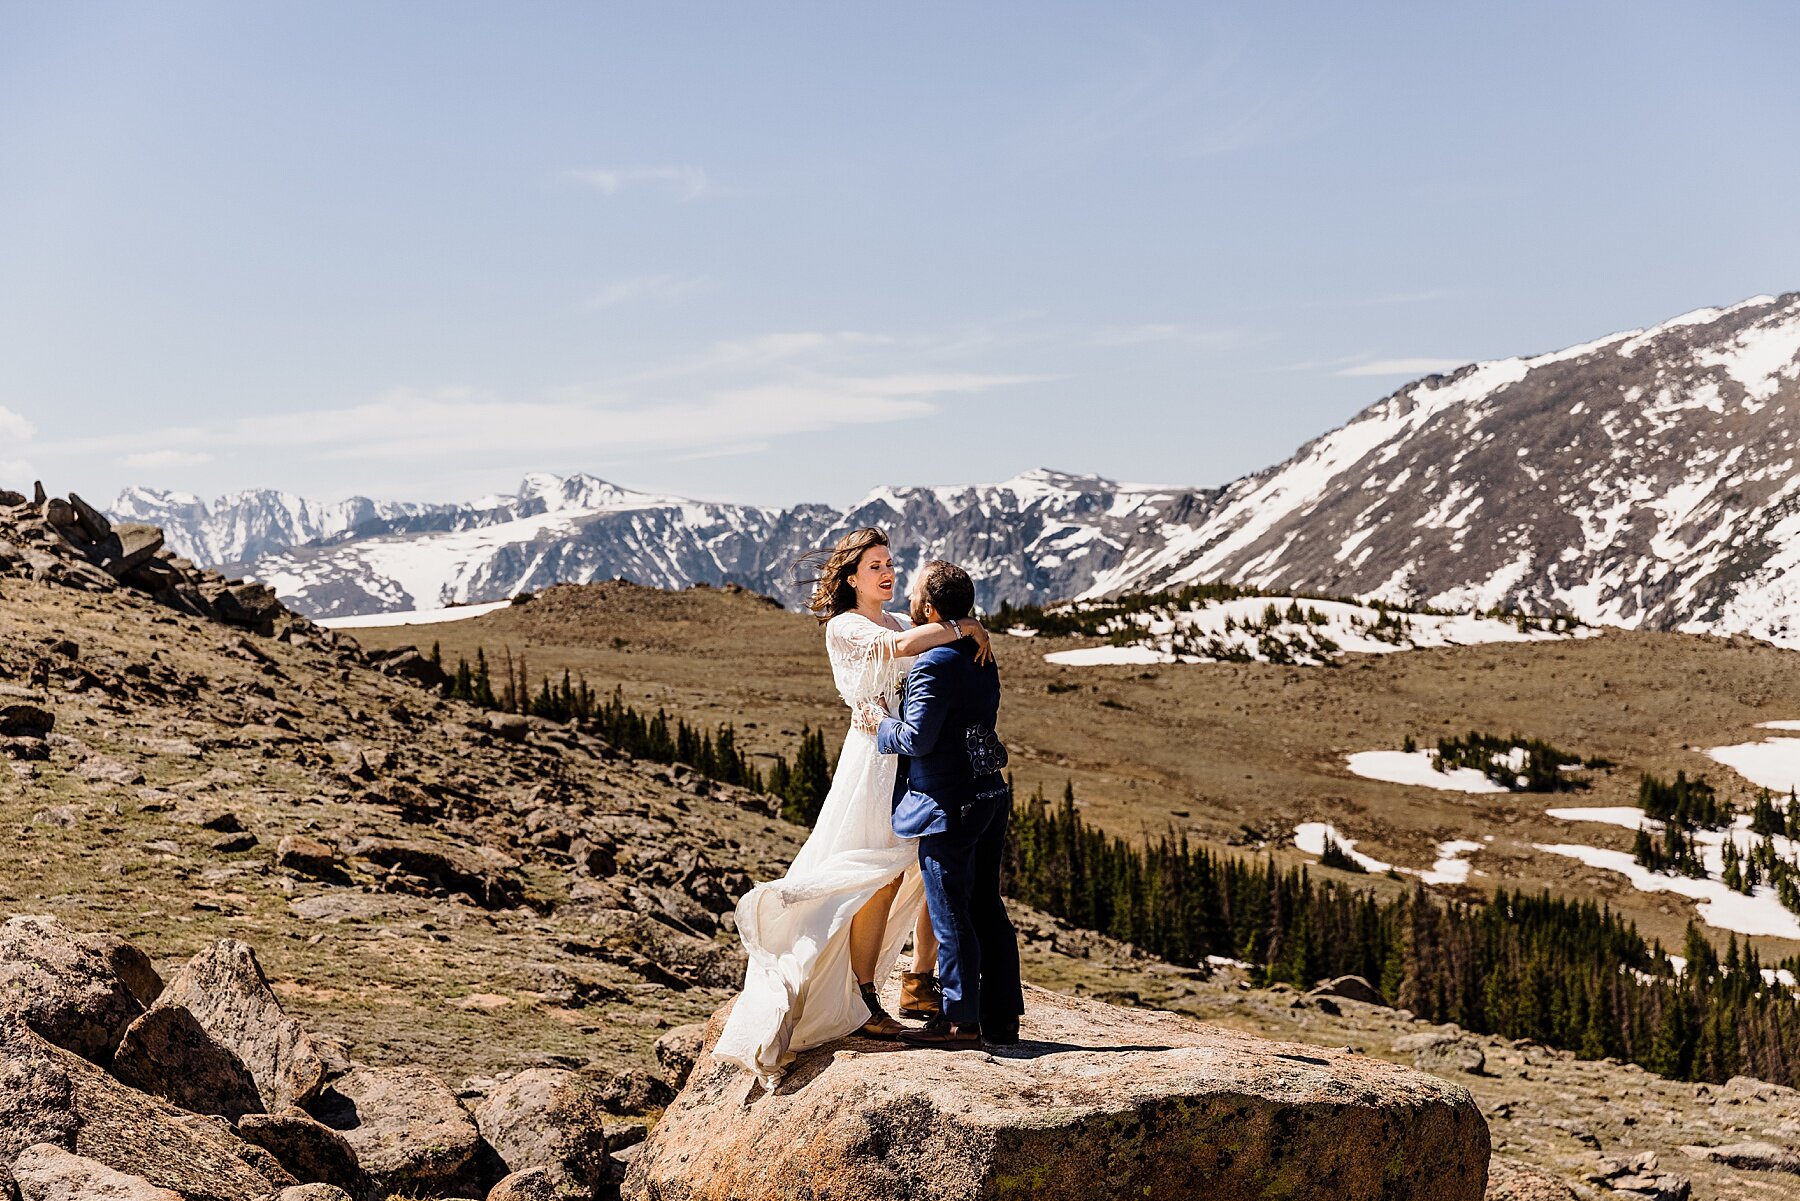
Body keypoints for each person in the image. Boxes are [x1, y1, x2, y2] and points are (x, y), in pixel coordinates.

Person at [711, 527, 993, 1084]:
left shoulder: (896, 620)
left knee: (918, 868)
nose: (887, 573)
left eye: (890, 564)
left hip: (909, 757)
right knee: (875, 873)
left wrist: (959, 633)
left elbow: (924, 655)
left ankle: (917, 982)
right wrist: (965, 626)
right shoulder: (847, 627)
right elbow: (906, 650)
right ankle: (862, 998)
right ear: (849, 578)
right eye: (874, 566)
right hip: (871, 760)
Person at [862, 559, 1023, 1049]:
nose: (907, 597)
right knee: (986, 908)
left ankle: (958, 1021)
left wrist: (877, 723)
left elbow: (917, 737)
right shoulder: (978, 650)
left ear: (928, 607)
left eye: (912, 593)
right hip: (990, 792)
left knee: (951, 910)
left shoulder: (934, 661)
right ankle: (1000, 1016)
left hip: (949, 802)